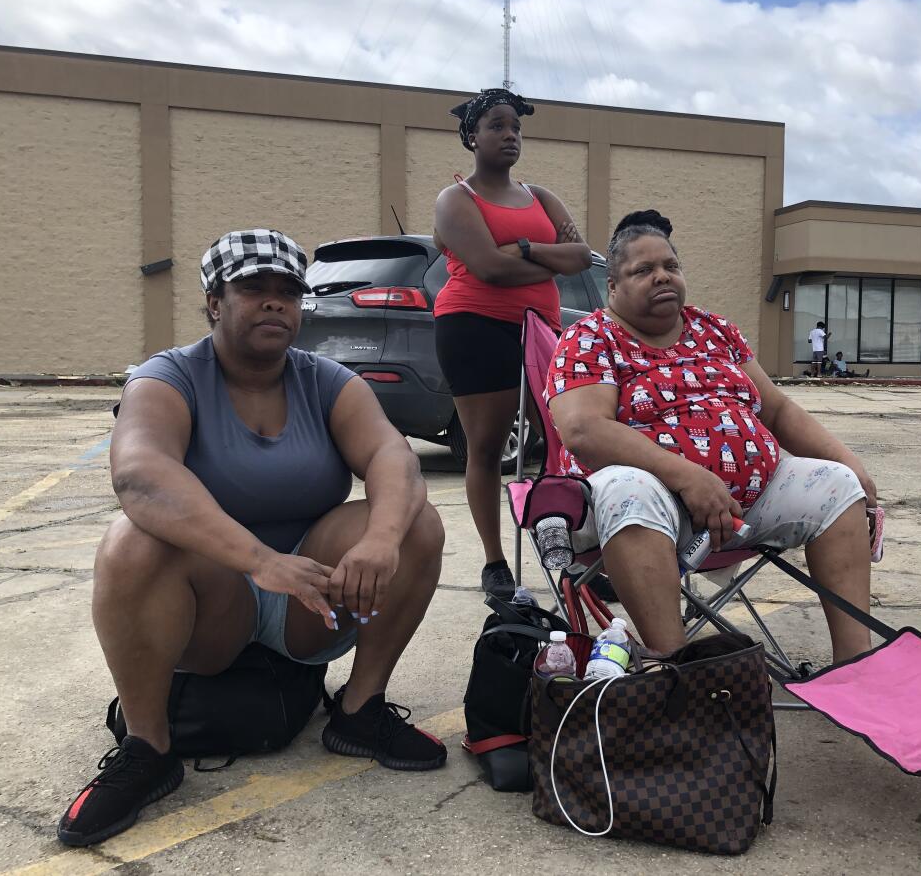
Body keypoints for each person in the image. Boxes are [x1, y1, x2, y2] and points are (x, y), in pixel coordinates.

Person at [57, 230, 447, 848]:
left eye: (288, 292)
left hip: (309, 596)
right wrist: (259, 560)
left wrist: (382, 538)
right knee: (131, 538)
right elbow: (140, 474)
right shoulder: (170, 375)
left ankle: (358, 713)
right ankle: (148, 749)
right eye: (254, 290)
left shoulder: (326, 380)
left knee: (416, 523)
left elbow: (391, 457)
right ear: (215, 302)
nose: (274, 304)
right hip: (216, 596)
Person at [546, 211, 878, 663]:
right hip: (651, 504)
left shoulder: (715, 330)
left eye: (670, 266)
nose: (661, 276)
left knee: (839, 487)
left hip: (748, 501)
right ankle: (677, 671)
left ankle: (856, 664)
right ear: (613, 286)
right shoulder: (590, 337)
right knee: (628, 490)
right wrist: (687, 477)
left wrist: (850, 464)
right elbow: (584, 428)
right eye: (642, 270)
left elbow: (778, 410)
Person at [432, 88, 591, 599]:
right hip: (474, 327)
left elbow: (582, 255)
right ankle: (495, 561)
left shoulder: (540, 196)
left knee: (565, 441)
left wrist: (522, 245)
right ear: (472, 136)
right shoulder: (456, 200)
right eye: (497, 126)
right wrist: (548, 257)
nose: (509, 135)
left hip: (541, 330)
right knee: (487, 446)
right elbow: (488, 268)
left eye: (516, 128)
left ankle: (576, 554)